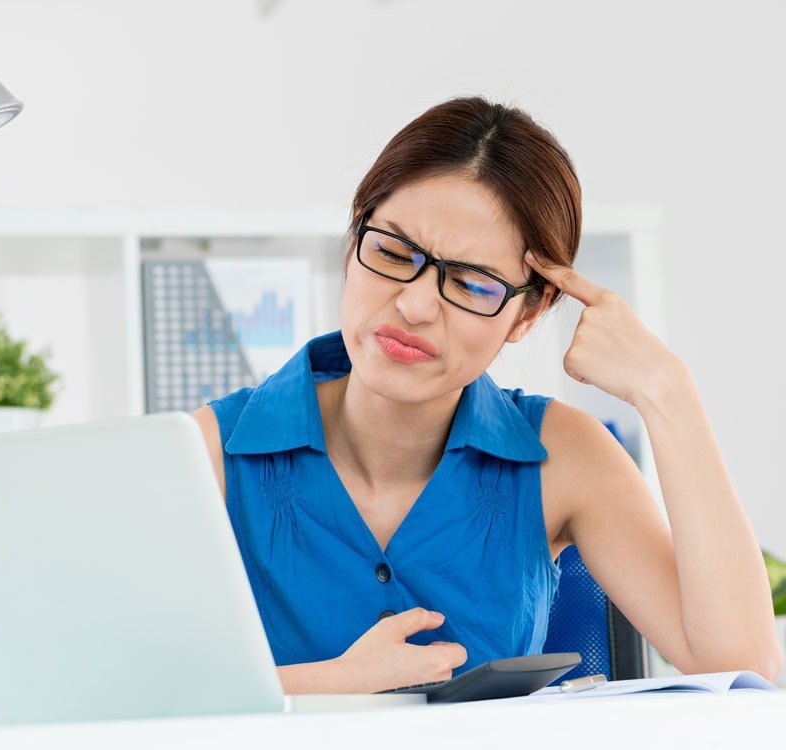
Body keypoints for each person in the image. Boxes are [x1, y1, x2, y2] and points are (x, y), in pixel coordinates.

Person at [192, 96, 783, 694]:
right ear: (353, 245)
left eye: (474, 284)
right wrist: (331, 684)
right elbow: (115, 699)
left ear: (527, 316)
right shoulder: (204, 454)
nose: (415, 306)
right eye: (394, 253)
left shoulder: (562, 454)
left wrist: (667, 391)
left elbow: (744, 671)